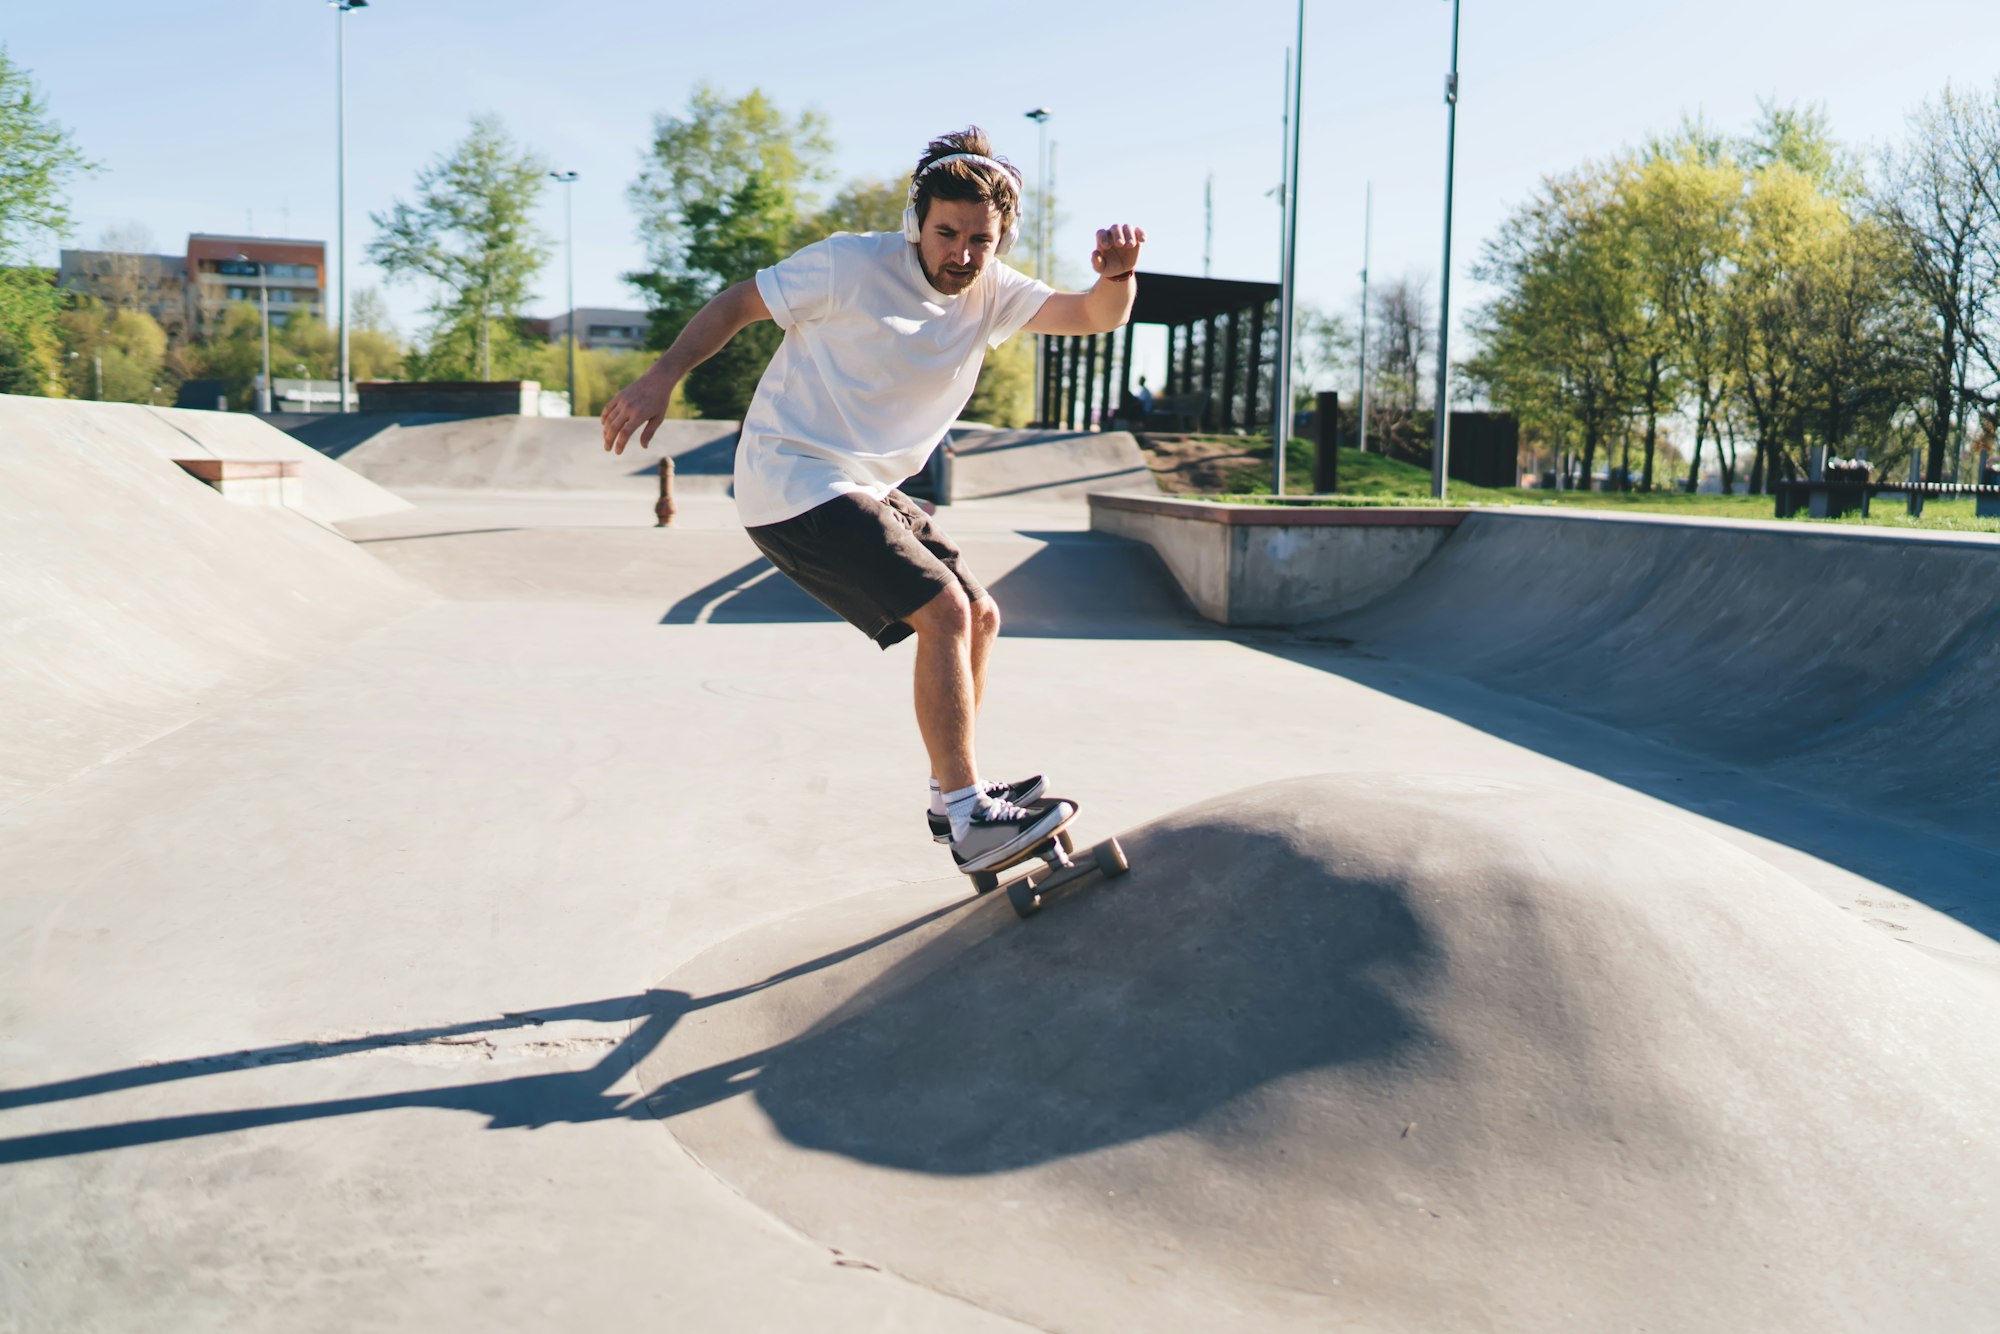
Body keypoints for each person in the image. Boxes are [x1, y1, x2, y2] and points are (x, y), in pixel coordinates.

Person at [601, 127, 1145, 876]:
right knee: (942, 611)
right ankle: (968, 816)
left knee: (980, 614)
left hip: (866, 485)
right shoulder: (849, 264)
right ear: (915, 223)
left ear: (1001, 235)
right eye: (945, 233)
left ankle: (949, 795)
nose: (960, 254)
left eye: (979, 240)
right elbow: (736, 305)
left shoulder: (994, 292)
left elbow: (1092, 316)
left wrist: (1117, 278)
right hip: (790, 477)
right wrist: (663, 375)